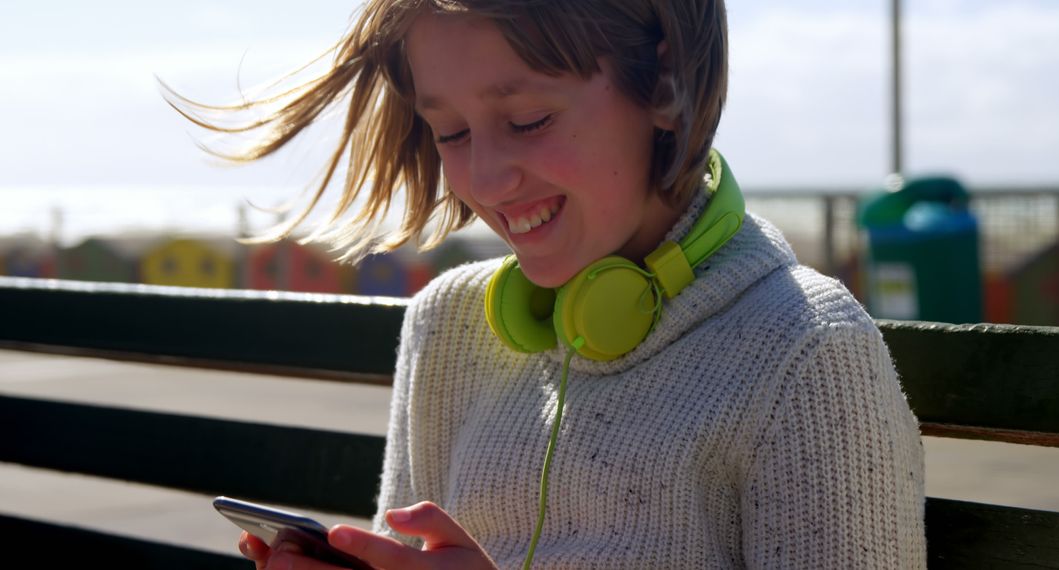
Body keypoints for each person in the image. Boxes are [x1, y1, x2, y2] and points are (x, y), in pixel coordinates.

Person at [171, 0, 926, 567]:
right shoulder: (448, 326)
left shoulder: (805, 354)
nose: (483, 179)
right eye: (451, 133)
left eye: (528, 119)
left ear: (663, 81)